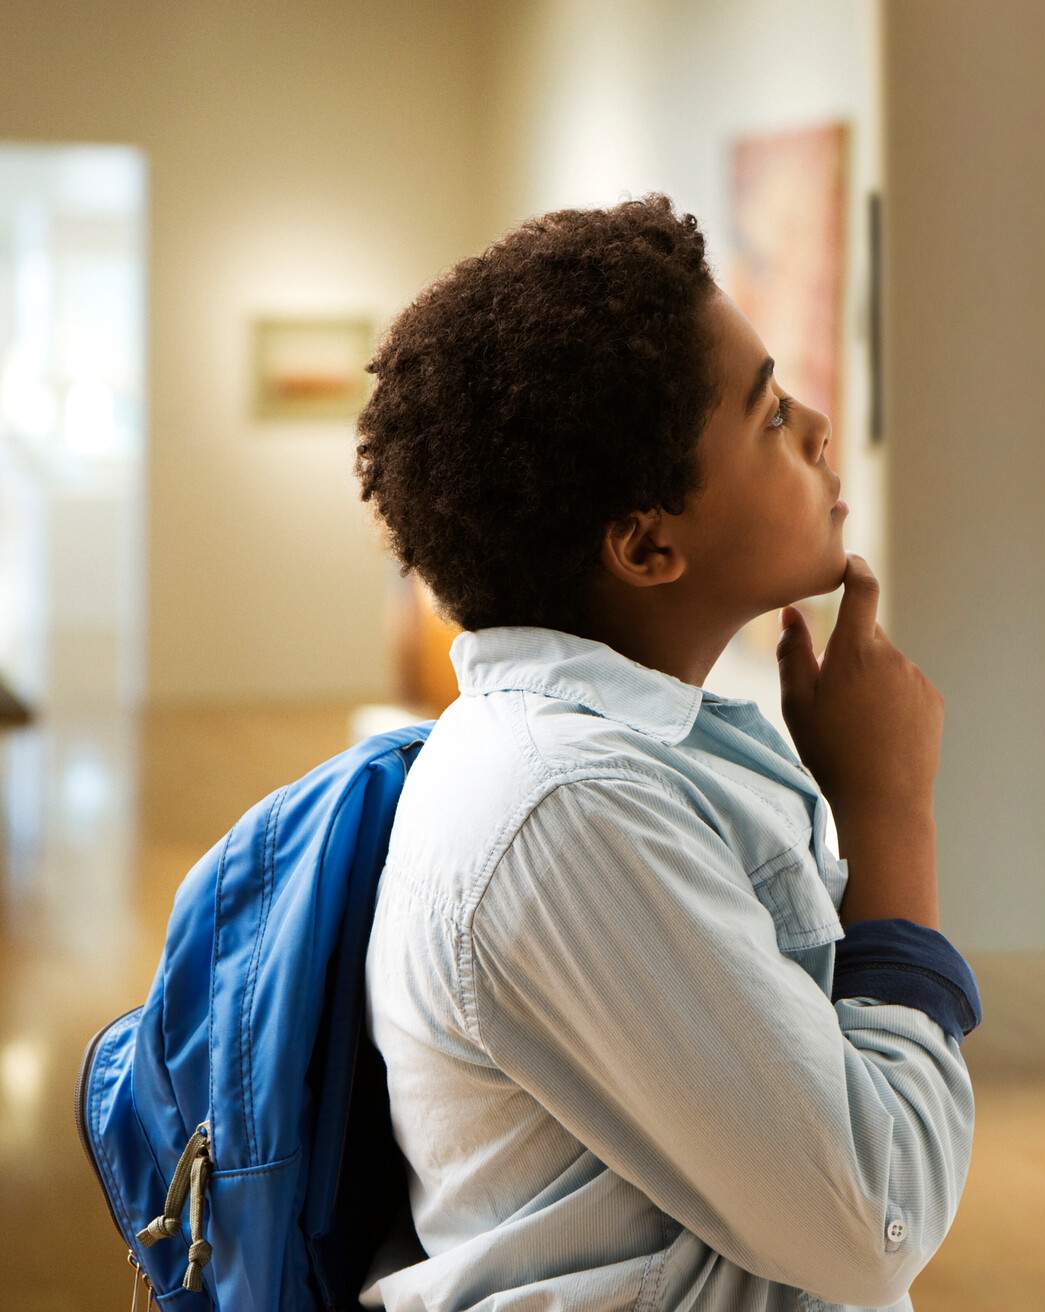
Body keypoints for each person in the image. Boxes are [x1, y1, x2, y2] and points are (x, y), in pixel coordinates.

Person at [350, 194, 980, 1311]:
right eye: (771, 415)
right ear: (647, 544)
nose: (821, 427)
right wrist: (893, 821)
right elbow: (875, 1212)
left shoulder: (609, 763)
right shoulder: (572, 809)